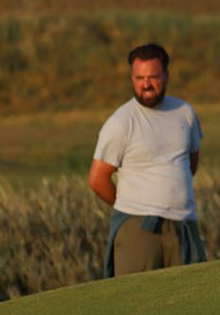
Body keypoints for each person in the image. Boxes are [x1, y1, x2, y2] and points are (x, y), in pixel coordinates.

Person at [88, 43, 209, 276]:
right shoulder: (121, 121)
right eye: (139, 78)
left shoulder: (185, 112)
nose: (146, 85)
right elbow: (97, 179)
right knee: (137, 305)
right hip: (138, 229)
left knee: (193, 301)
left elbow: (189, 165)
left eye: (153, 77)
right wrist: (132, 206)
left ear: (166, 75)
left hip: (184, 225)